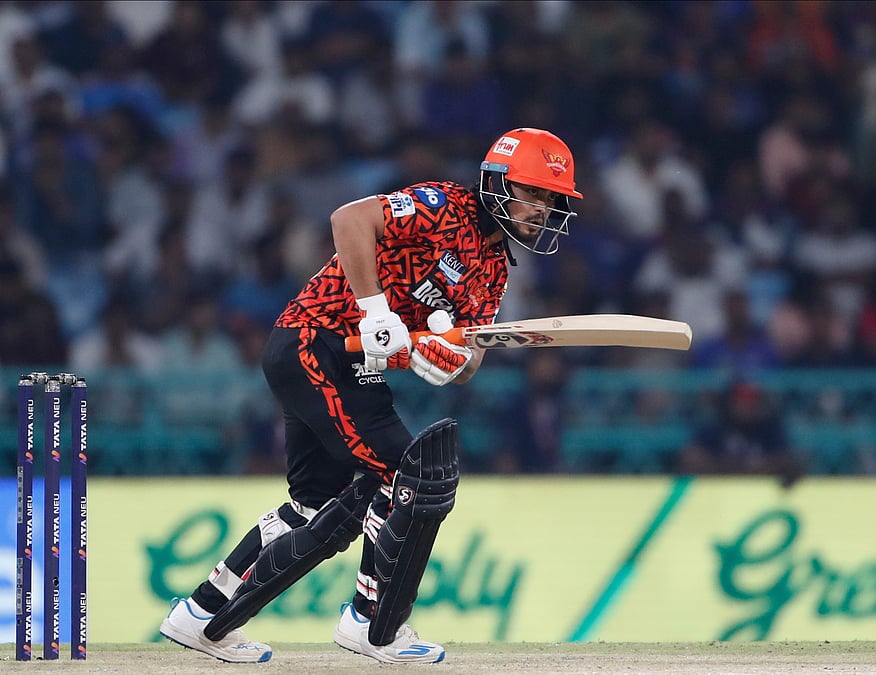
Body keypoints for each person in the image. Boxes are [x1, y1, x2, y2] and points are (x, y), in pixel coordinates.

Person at [158, 128, 583, 664]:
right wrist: (376, 311)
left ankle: (199, 613)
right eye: (535, 193)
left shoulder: (494, 267)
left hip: (350, 364)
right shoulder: (445, 206)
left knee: (314, 505)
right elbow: (349, 220)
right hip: (313, 340)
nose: (543, 210)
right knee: (412, 473)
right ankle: (369, 620)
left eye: (552, 200)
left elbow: (471, 357)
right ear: (497, 184)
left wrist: (442, 360)